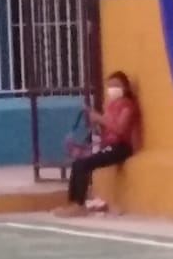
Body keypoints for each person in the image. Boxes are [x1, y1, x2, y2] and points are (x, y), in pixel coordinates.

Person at [53, 71, 140, 218]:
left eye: (116, 85)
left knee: (84, 164)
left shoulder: (128, 106)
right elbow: (106, 129)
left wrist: (99, 118)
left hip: (121, 147)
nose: (112, 88)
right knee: (78, 164)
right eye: (110, 85)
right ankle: (73, 203)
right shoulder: (110, 105)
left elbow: (120, 129)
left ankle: (79, 205)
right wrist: (95, 123)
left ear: (125, 88)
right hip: (109, 145)